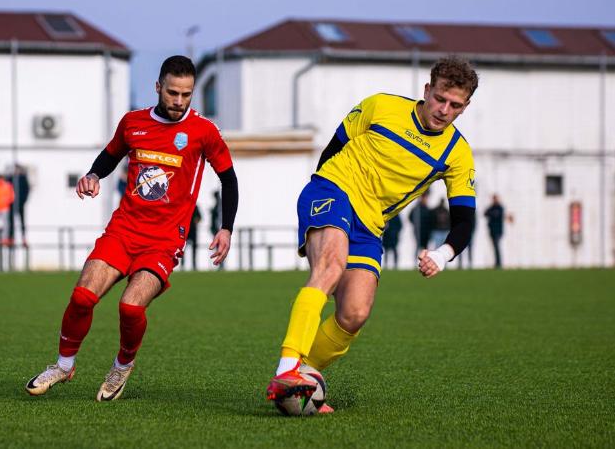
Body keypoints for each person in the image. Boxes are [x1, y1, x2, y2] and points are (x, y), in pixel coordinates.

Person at [265, 56, 479, 413]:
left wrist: (442, 254)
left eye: (455, 105)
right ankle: (288, 368)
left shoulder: (457, 153)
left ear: (465, 107)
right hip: (333, 190)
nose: (444, 109)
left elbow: (465, 219)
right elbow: (332, 149)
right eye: (440, 98)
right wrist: (321, 204)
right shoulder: (380, 106)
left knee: (354, 313)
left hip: (371, 223)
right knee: (330, 268)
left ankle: (304, 375)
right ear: (427, 90)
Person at [25, 55, 239, 401]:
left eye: (186, 94)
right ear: (158, 87)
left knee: (130, 307)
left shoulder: (204, 132)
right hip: (124, 230)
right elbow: (110, 155)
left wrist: (226, 227)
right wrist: (93, 175)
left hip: (165, 239)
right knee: (82, 297)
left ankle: (122, 366)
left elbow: (228, 179)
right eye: (172, 93)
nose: (179, 101)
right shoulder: (133, 123)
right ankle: (63, 367)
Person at [7, 164, 31, 246]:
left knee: (22, 221)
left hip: (20, 204)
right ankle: (11, 238)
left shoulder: (23, 179)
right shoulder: (10, 179)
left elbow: (26, 190)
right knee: (11, 222)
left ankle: (23, 238)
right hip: (12, 204)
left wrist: (23, 201)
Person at [484, 194, 508, 269]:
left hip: (498, 231)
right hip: (492, 230)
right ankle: (497, 262)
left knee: (497, 247)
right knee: (495, 247)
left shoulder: (500, 207)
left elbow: (497, 215)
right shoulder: (492, 207)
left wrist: (492, 214)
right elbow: (485, 213)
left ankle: (499, 263)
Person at [184, 205, 202, 270]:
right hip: (186, 231)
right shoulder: (185, 206)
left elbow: (199, 217)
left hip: (193, 231)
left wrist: (195, 221)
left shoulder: (195, 207)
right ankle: (183, 265)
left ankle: (194, 265)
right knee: (183, 249)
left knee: (194, 249)